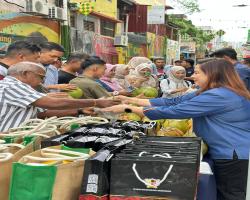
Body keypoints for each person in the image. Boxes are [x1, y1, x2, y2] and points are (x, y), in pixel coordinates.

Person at [101, 58, 250, 200]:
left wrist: (128, 108)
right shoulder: (211, 91)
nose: (192, 76)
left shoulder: (219, 95)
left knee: (230, 194)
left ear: (213, 74)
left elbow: (175, 111)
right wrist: (129, 99)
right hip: (224, 149)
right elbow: (173, 101)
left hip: (230, 152)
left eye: (198, 73)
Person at [0, 61, 118, 132]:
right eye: (41, 77)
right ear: (25, 73)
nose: (42, 82)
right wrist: (95, 102)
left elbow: (43, 112)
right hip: (6, 137)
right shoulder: (11, 85)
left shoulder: (24, 88)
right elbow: (51, 103)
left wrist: (79, 110)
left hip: (18, 136)